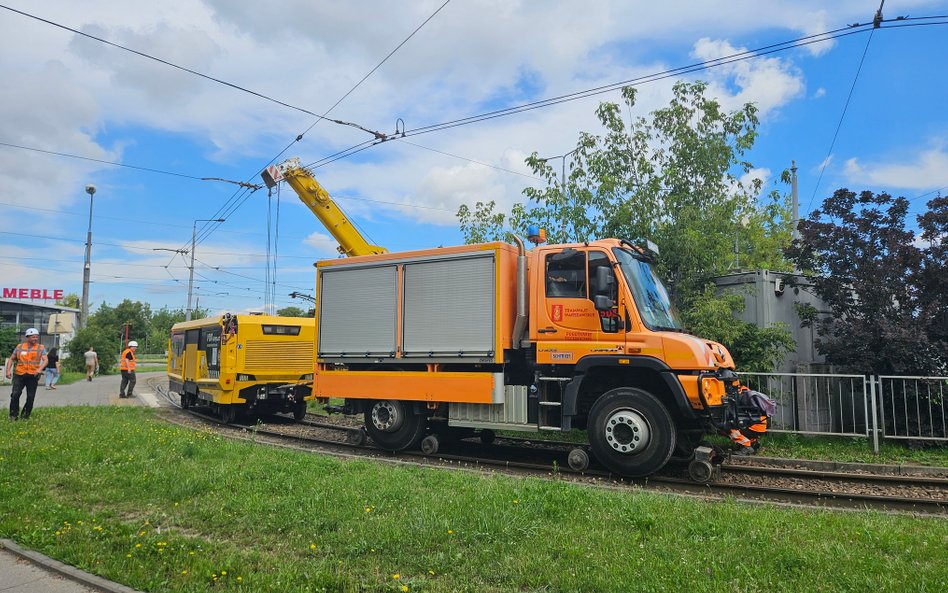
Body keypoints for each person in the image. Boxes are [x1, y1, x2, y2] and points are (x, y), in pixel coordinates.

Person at [5, 328, 47, 420]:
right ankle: (13, 415)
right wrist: (8, 370)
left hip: (33, 375)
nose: (35, 339)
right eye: (33, 337)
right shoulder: (19, 347)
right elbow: (11, 358)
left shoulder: (41, 348)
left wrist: (40, 369)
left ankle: (25, 416)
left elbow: (45, 360)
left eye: (36, 337)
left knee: (30, 397)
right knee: (15, 394)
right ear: (27, 337)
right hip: (19, 374)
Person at [728, 387, 776, 456]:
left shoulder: (737, 395)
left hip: (753, 427)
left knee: (729, 428)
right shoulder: (749, 393)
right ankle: (753, 443)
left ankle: (746, 445)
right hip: (760, 427)